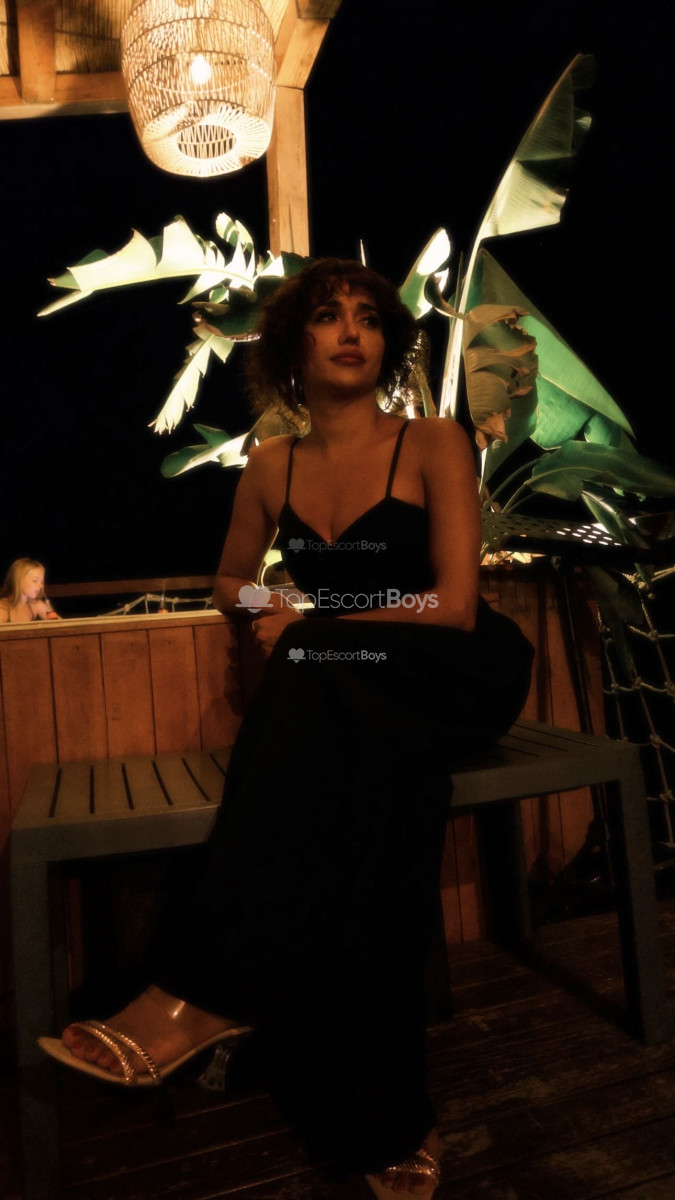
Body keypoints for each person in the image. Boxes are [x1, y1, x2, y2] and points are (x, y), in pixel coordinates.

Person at [39, 259, 534, 1199]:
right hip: (352, 688)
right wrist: (279, 604)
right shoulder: (271, 465)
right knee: (381, 806)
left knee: (314, 664)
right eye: (327, 316)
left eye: (368, 318)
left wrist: (313, 619)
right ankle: (387, 1112)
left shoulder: (432, 441)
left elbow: (455, 605)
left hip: (454, 668)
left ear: (386, 342)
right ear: (290, 346)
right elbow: (231, 583)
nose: (350, 331)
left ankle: (197, 992)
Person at [0, 557, 58, 622]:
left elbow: (60, 624)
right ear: (19, 581)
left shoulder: (35, 604)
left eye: (42, 582)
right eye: (35, 581)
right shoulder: (3, 608)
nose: (41, 586)